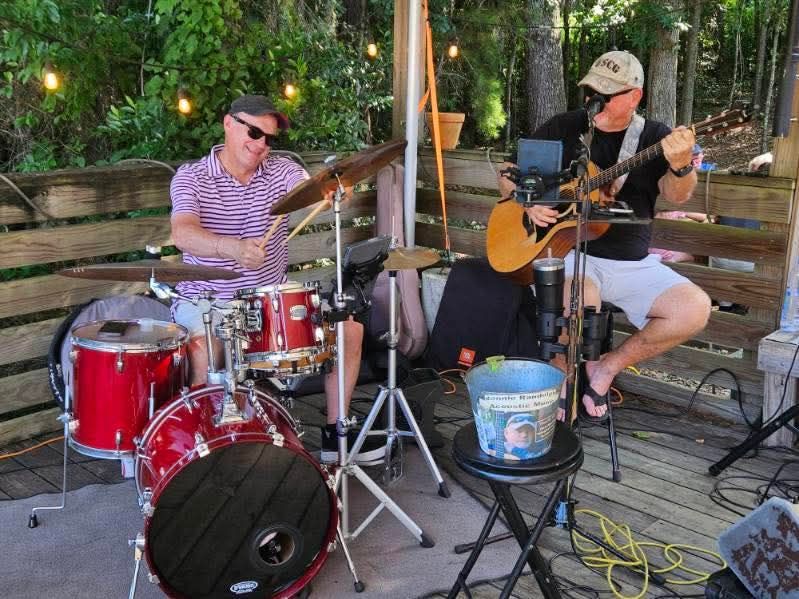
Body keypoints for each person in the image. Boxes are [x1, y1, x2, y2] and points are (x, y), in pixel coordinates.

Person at [169, 94, 384, 464]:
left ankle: (337, 435)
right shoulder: (192, 176)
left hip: (269, 302)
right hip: (206, 302)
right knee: (202, 351)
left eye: (269, 138)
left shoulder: (281, 171)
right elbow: (183, 233)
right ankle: (202, 453)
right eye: (253, 132)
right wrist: (230, 248)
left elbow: (312, 189)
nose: (260, 145)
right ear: (228, 123)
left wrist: (336, 191)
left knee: (349, 330)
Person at [498, 51, 711, 421]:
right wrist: (527, 202)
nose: (594, 100)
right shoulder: (564, 126)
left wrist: (680, 167)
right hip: (566, 252)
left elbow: (678, 196)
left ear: (635, 96)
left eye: (607, 93)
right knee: (584, 298)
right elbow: (508, 170)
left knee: (694, 308)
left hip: (632, 263)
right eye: (591, 90)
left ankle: (606, 368)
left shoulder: (656, 137)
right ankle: (563, 377)